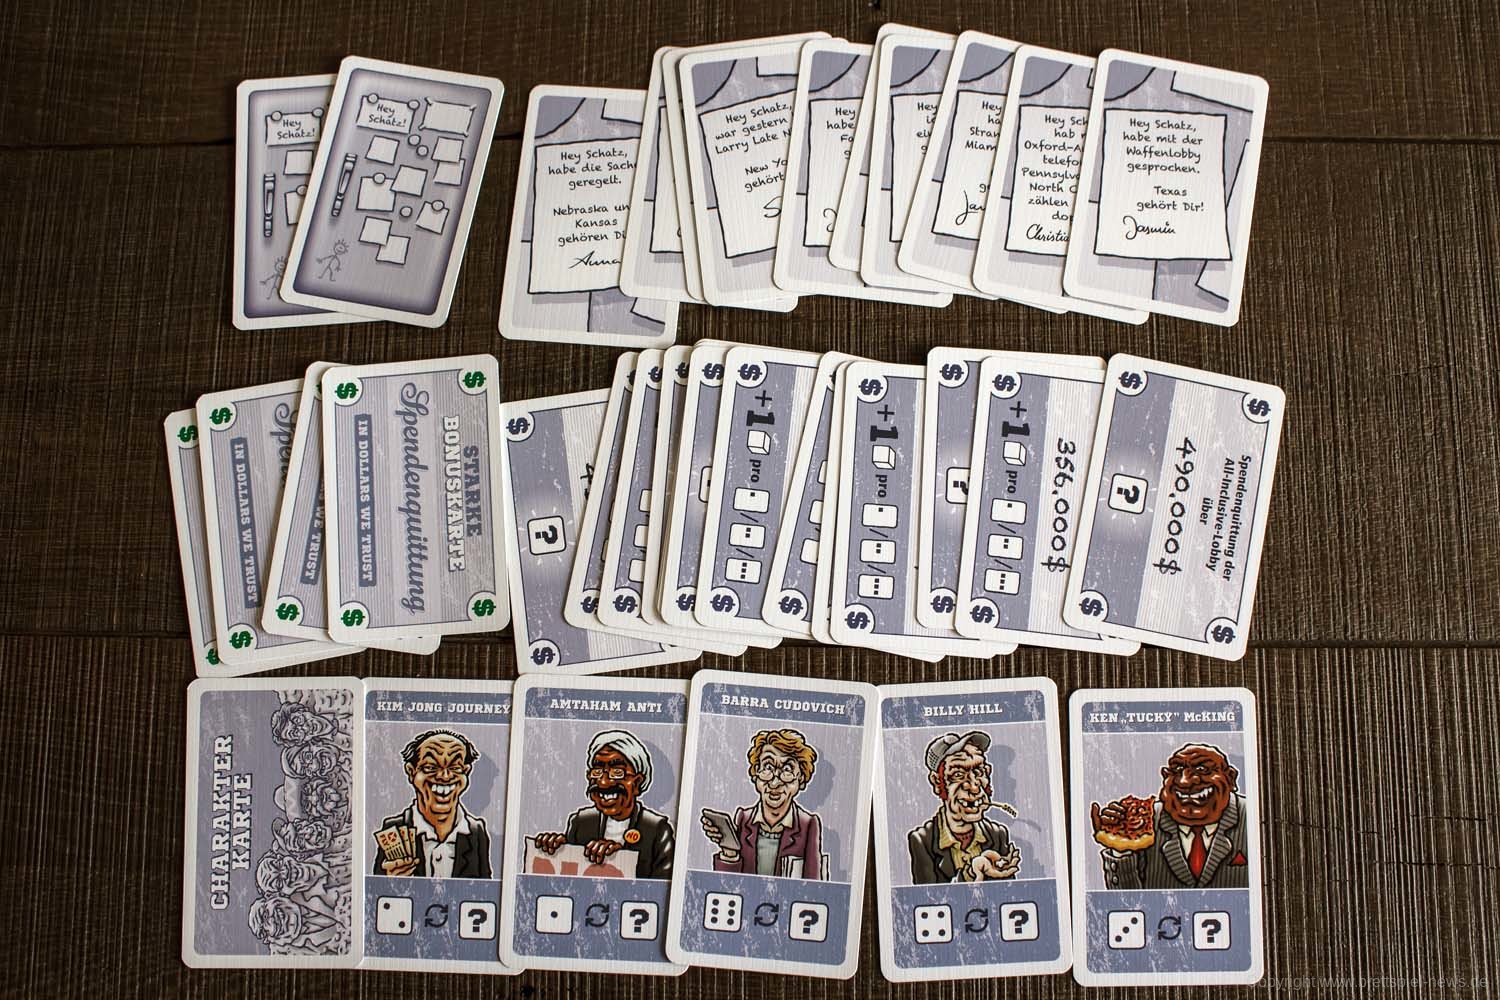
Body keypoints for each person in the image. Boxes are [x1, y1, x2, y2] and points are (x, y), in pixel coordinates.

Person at [1092, 743, 1251, 889]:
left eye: (1202, 769)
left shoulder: (1251, 817)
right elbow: (1128, 900)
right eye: (1177, 770)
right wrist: (1120, 847)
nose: (1184, 781)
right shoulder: (1146, 821)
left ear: (1230, 777)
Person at [532, 730, 675, 879]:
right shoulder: (581, 822)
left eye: (617, 772)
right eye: (597, 771)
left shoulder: (657, 829)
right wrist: (556, 849)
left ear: (637, 783)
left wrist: (617, 859)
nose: (603, 782)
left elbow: (664, 884)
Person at [701, 729, 824, 879]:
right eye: (768, 768)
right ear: (755, 774)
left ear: (801, 780)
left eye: (787, 770)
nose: (775, 782)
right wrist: (730, 853)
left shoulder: (808, 825)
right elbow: (727, 883)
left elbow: (814, 884)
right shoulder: (743, 818)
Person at [372, 729, 491, 878]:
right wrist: (388, 880)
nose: (445, 776)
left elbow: (486, 886)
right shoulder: (394, 829)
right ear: (411, 772)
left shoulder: (476, 832)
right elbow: (372, 885)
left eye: (455, 768)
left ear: (466, 772)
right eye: (430, 767)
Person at [907, 730, 1022, 884]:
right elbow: (929, 896)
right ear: (937, 782)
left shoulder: (997, 835)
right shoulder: (923, 841)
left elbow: (1009, 891)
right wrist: (970, 873)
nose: (974, 787)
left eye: (978, 771)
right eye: (958, 775)